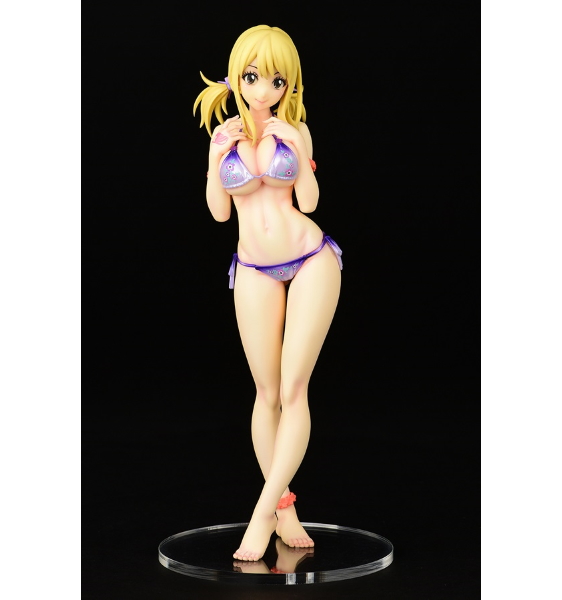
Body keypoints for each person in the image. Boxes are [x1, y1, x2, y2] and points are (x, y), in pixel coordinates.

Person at [193, 24, 343, 562]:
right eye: (254, 76)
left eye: (277, 80)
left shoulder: (295, 130)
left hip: (310, 258)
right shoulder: (224, 136)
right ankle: (283, 508)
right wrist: (215, 161)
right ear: (237, 75)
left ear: (288, 84)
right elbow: (219, 212)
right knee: (266, 392)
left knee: (294, 389)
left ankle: (260, 515)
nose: (263, 90)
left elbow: (310, 202)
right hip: (253, 267)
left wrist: (299, 149)